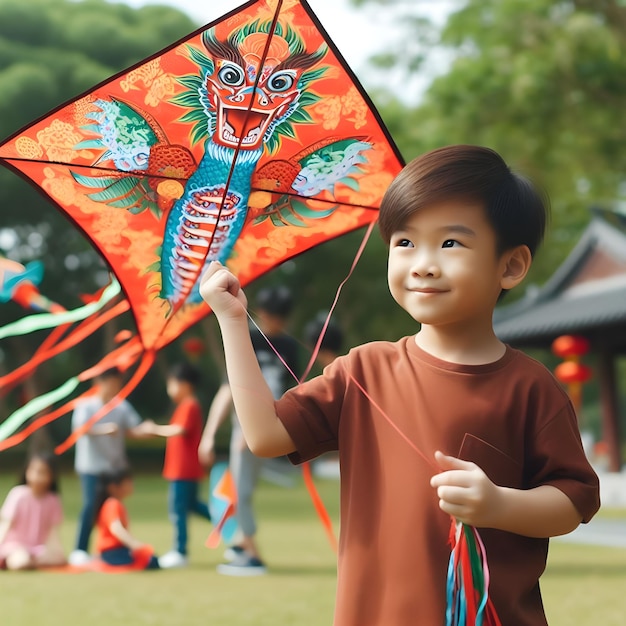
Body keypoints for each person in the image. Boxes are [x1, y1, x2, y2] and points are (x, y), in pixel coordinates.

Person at [198, 145, 600, 625]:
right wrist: (232, 321)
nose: (423, 264)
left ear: (510, 266)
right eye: (405, 242)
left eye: (451, 243)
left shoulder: (531, 388)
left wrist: (500, 504)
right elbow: (265, 436)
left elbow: (573, 501)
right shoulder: (362, 370)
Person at [198, 286, 300, 576]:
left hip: (269, 426)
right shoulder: (250, 338)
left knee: (240, 492)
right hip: (244, 426)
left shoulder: (289, 347)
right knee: (241, 490)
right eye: (272, 315)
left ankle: (252, 556)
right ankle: (243, 543)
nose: (275, 322)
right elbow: (228, 388)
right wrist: (210, 435)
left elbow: (291, 390)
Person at [69, 367, 145, 565]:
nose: (115, 387)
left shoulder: (121, 407)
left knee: (112, 509)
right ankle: (80, 549)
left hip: (113, 468)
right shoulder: (86, 406)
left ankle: (110, 548)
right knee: (90, 506)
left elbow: (135, 428)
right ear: (100, 383)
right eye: (111, 382)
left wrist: (154, 430)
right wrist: (103, 430)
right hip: (91, 467)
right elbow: (80, 430)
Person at [139, 362, 210, 569]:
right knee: (192, 506)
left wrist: (154, 429)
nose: (170, 388)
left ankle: (180, 551)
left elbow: (178, 430)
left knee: (178, 510)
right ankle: (227, 525)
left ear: (185, 384)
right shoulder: (185, 406)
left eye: (172, 383)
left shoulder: (190, 405)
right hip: (183, 469)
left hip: (184, 470)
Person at [0, 453, 65, 570]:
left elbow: (53, 532)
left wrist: (58, 552)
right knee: (20, 562)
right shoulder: (18, 494)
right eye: (34, 471)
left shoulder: (53, 499)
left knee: (58, 558)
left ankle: (31, 562)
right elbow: (6, 524)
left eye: (43, 472)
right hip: (16, 546)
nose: (38, 476)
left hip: (38, 549)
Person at [94, 470, 159, 570]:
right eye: (128, 482)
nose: (132, 484)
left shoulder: (113, 503)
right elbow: (116, 528)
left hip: (116, 551)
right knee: (151, 561)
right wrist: (135, 545)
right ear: (113, 487)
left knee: (151, 559)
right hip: (112, 552)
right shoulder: (112, 503)